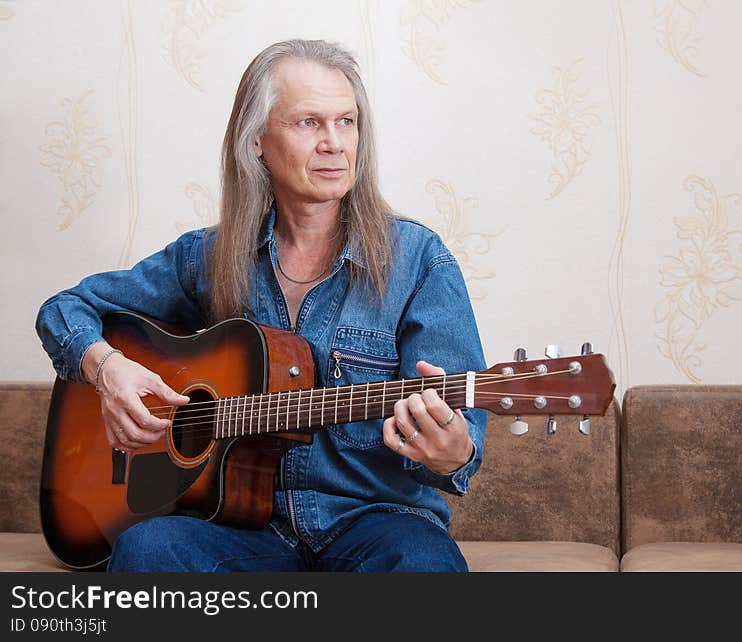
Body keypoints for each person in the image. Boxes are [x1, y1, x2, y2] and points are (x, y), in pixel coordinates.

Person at [35, 38, 487, 572]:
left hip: (377, 523)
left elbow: (463, 436)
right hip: (240, 530)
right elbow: (65, 309)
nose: (334, 144)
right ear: (256, 142)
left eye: (347, 122)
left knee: (425, 566)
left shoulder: (419, 260)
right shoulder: (207, 257)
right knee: (145, 551)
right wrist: (108, 369)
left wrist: (452, 450)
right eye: (308, 123)